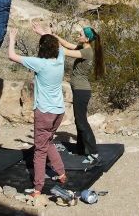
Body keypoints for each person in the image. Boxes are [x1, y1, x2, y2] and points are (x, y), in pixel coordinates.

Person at [33, 20, 104, 166]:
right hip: (79, 89)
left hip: (82, 90)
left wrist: (44, 35)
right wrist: (53, 35)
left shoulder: (86, 51)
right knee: (79, 120)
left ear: (87, 38)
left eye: (80, 34)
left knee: (81, 121)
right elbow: (65, 44)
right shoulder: (82, 46)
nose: (78, 35)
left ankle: (94, 152)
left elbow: (63, 51)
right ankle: (81, 149)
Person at [7, 27, 67, 196]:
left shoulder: (40, 63)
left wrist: (12, 38)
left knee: (40, 150)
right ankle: (61, 173)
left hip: (44, 112)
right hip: (59, 112)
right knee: (47, 142)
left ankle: (38, 188)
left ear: (41, 48)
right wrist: (45, 33)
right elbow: (59, 46)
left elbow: (12, 56)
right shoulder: (60, 59)